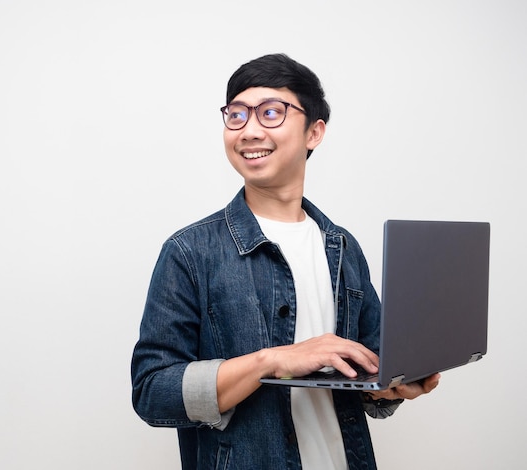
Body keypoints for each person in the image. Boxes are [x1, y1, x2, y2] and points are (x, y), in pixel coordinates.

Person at [131, 53, 440, 470]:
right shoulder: (190, 251)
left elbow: (366, 370)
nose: (249, 130)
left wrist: (390, 386)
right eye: (236, 115)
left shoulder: (343, 247)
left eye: (271, 112)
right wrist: (272, 360)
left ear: (314, 132)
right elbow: (152, 391)